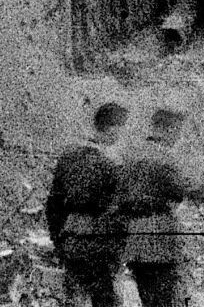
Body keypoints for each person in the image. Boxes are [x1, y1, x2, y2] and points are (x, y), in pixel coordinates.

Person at [116, 108, 204, 307]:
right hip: (160, 240)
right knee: (171, 298)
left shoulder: (129, 156)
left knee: (148, 297)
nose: (178, 138)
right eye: (178, 132)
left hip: (134, 239)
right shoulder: (166, 158)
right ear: (170, 130)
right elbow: (194, 190)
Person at [47, 102, 131, 307]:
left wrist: (59, 242)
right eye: (122, 130)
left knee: (74, 298)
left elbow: (53, 206)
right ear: (114, 129)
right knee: (107, 300)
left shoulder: (67, 158)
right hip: (99, 244)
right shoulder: (111, 165)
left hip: (70, 238)